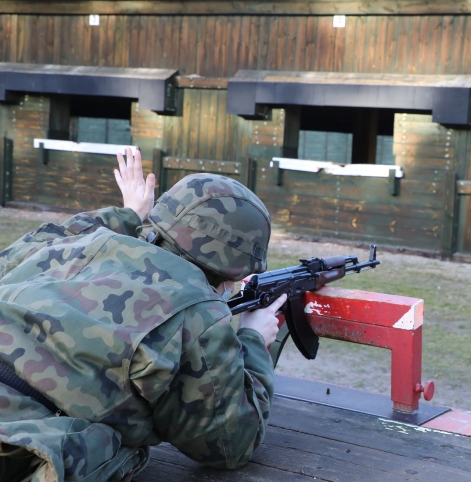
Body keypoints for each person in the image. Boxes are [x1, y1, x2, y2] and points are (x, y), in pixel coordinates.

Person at [0, 148, 284, 482]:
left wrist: (129, 214)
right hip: (17, 444)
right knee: (110, 447)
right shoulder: (196, 315)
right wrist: (253, 341)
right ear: (235, 272)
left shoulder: (68, 244)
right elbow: (229, 445)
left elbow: (55, 236)